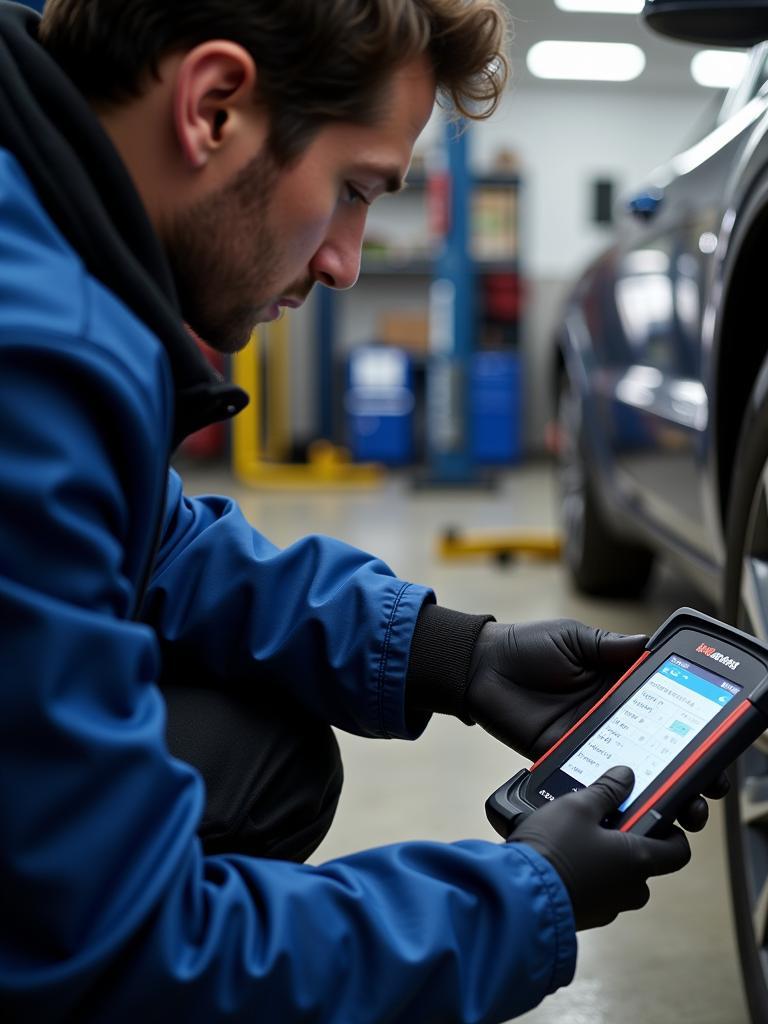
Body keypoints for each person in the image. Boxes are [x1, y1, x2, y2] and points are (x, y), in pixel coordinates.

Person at [0, 2, 721, 1020]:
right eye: (351, 190)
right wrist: (526, 896)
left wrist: (450, 654)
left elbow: (149, 543)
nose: (343, 260)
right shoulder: (33, 353)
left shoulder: (34, 221)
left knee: (259, 753)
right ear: (212, 107)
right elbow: (129, 949)